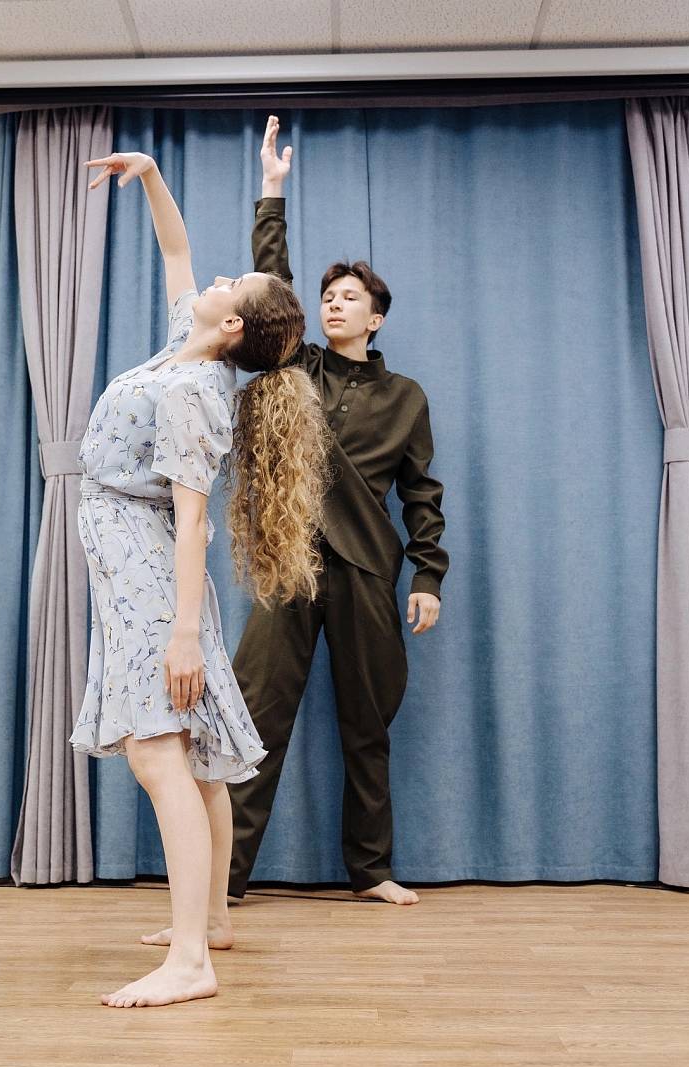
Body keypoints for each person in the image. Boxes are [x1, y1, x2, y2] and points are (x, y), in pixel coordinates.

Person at [70, 149, 330, 1007]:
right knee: (204, 765)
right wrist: (150, 176)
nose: (218, 277)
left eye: (234, 284)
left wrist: (183, 632)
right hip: (134, 563)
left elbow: (192, 520)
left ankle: (189, 962)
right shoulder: (191, 345)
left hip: (152, 575)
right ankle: (211, 920)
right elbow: (177, 251)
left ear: (232, 327)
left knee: (160, 753)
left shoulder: (193, 391)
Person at [227, 115, 450, 906]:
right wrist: (272, 192)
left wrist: (428, 577)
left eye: (349, 298)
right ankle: (223, 881)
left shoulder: (405, 397)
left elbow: (422, 493)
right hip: (291, 565)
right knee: (254, 720)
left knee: (367, 726)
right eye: (327, 298)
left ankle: (372, 871)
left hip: (366, 574)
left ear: (376, 316)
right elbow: (271, 288)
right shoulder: (299, 367)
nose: (333, 306)